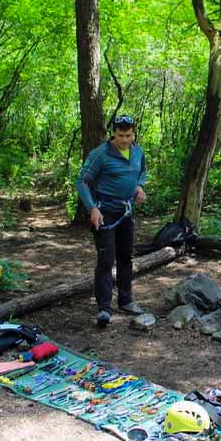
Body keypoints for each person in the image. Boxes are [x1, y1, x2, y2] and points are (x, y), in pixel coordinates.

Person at [76, 115, 147, 327]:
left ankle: (126, 300)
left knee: (125, 257)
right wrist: (93, 208)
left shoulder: (138, 152)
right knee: (106, 261)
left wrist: (140, 186)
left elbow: (142, 171)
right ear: (113, 133)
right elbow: (82, 181)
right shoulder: (101, 154)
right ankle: (104, 309)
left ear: (133, 133)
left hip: (126, 213)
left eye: (129, 135)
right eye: (120, 135)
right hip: (104, 213)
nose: (125, 140)